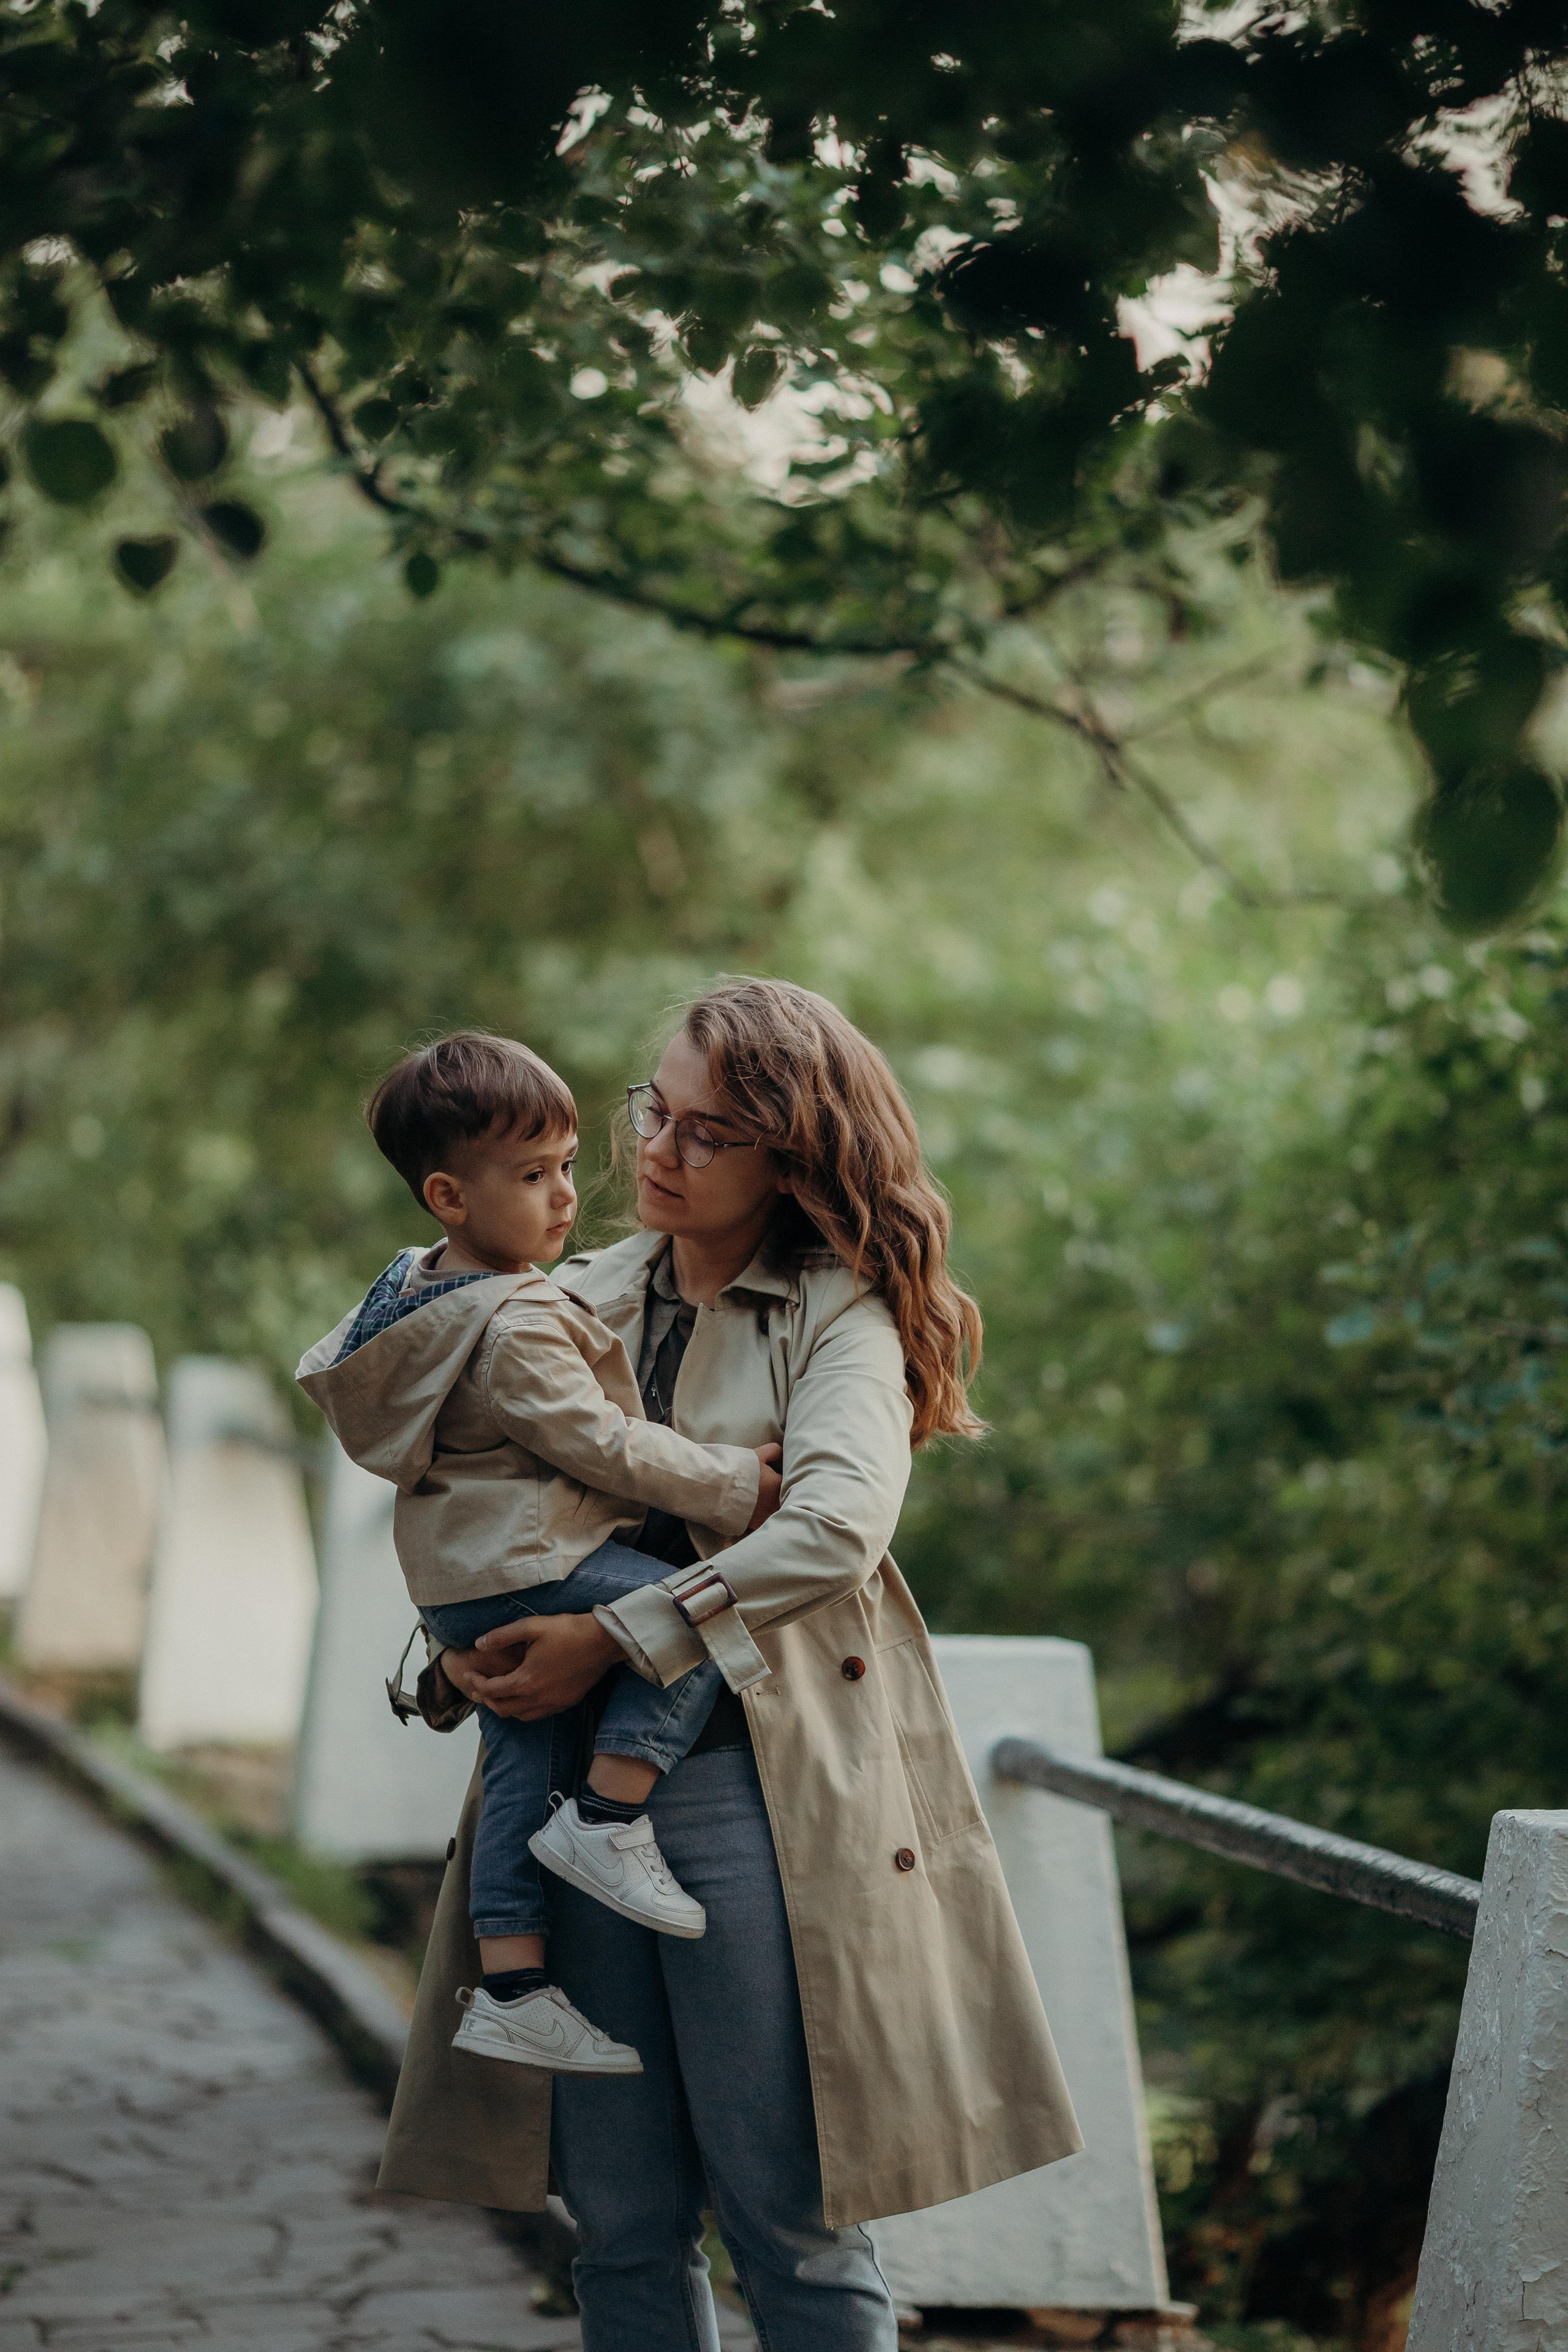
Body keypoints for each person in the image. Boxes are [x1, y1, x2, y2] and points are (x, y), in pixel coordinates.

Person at [379, 978, 1084, 2352]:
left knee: (793, 2221)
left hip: (745, 1801)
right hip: (560, 1788)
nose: (654, 1150)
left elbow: (829, 1527)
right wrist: (465, 1668)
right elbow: (464, 1500)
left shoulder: (842, 1319)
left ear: (791, 1155)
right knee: (619, 2222)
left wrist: (612, 1636)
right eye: (655, 1110)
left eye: (706, 1132)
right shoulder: (563, 1293)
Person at [297, 1032, 785, 2078]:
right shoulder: (512, 1320)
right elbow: (600, 1443)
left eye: (565, 1164)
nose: (567, 1196)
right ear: (449, 1196)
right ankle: (612, 1815)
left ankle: (514, 1986)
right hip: (530, 1564)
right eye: (533, 1175)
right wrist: (737, 1482)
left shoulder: (412, 1299)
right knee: (690, 1609)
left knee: (522, 1760)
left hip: (461, 1591)